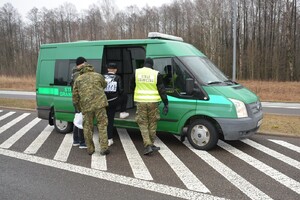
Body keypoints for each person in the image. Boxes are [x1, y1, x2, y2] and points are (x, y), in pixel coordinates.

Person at [131, 57, 169, 155]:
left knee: (143, 123)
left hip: (141, 102)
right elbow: (162, 90)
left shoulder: (136, 72)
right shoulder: (156, 74)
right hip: (153, 102)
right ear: (152, 65)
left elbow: (131, 86)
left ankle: (149, 145)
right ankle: (150, 144)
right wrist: (166, 103)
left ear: (144, 63)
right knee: (153, 123)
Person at [72, 59, 110, 156]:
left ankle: (90, 148)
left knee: (88, 127)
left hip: (86, 107)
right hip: (100, 105)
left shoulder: (78, 79)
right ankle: (104, 148)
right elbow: (104, 85)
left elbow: (75, 97)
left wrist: (78, 108)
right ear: (91, 68)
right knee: (102, 125)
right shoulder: (98, 76)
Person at [104, 62, 129, 146]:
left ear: (108, 69)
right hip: (113, 101)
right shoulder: (117, 77)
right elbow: (121, 90)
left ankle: (105, 138)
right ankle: (122, 112)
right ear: (115, 70)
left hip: (103, 102)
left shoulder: (102, 77)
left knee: (104, 120)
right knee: (125, 95)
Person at [70, 57, 87, 149]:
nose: (86, 65)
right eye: (85, 63)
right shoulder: (78, 74)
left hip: (76, 100)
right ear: (81, 63)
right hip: (79, 100)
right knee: (80, 121)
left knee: (77, 120)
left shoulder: (75, 72)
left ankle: (76, 141)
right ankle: (82, 142)